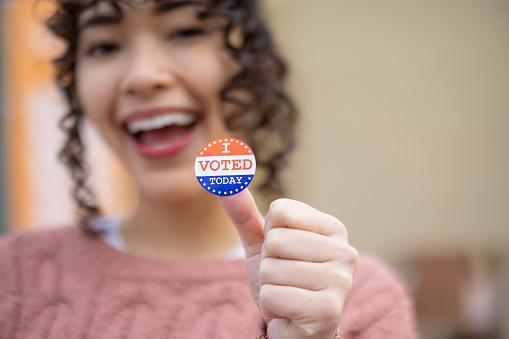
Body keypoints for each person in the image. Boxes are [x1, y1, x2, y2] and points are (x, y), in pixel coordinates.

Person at [0, 0, 417, 338]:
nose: (142, 76)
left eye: (185, 31)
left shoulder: (359, 298)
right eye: (104, 46)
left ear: (259, 66)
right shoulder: (13, 275)